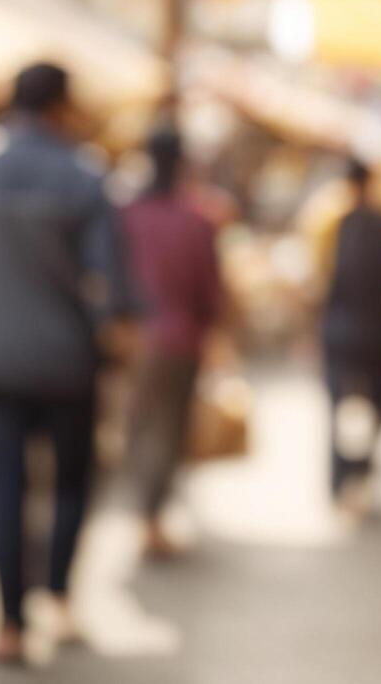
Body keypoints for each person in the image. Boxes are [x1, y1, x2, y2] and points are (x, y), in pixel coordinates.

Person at [0, 62, 137, 665]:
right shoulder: (85, 175)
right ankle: (61, 597)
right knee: (70, 481)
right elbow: (111, 287)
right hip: (67, 359)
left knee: (3, 489)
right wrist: (119, 347)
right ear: (62, 106)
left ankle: (10, 623)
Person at [121, 127, 225, 558]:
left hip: (133, 340)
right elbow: (211, 291)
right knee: (166, 429)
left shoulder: (126, 215)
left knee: (140, 426)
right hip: (181, 340)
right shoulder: (196, 220)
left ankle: (146, 515)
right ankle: (150, 518)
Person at [319, 158, 381, 516]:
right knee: (375, 405)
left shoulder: (329, 225)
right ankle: (360, 475)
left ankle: (341, 480)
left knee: (338, 405)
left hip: (339, 328)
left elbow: (322, 281)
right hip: (376, 329)